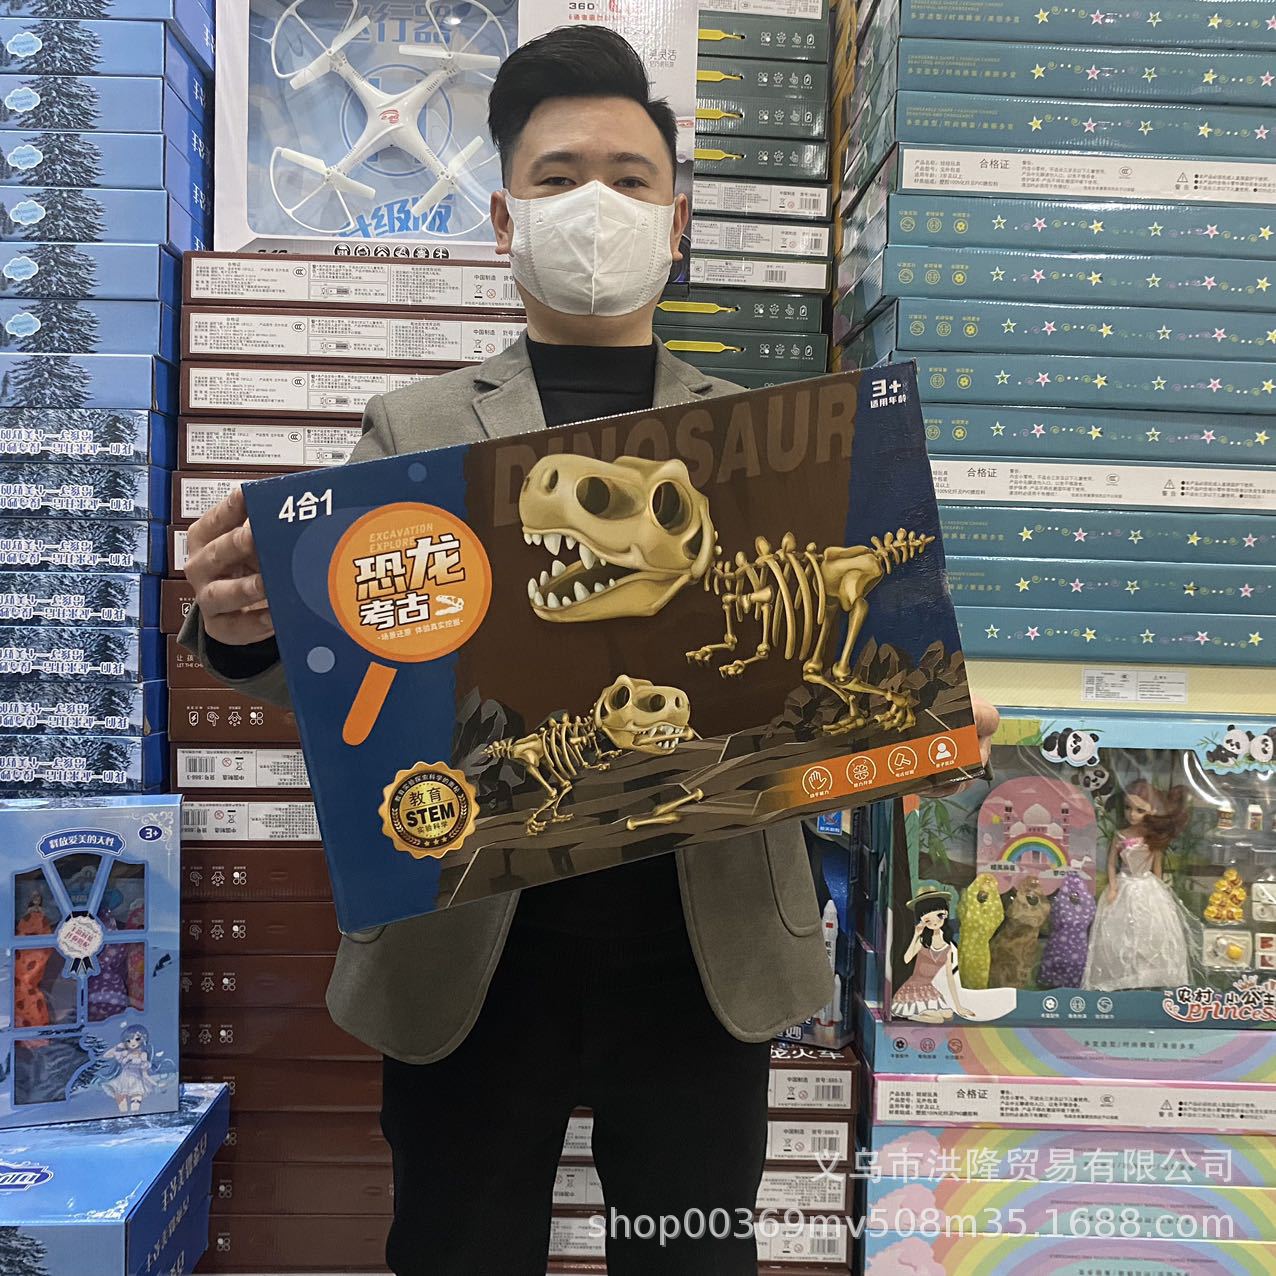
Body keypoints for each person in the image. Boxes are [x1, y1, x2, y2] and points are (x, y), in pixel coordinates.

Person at [181, 27, 999, 1275]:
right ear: (504, 216)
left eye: (628, 176)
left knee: (693, 1255)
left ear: (677, 219)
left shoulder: (776, 438)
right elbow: (353, 673)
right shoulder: (412, 427)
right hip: (468, 957)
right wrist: (242, 637)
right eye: (557, 177)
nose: (595, 205)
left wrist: (918, 729)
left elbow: (826, 672)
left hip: (706, 951)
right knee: (456, 1252)